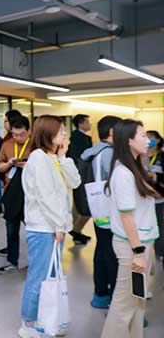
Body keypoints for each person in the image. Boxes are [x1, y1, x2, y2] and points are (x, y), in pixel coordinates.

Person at [19, 115, 80, 338]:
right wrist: (58, 226)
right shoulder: (38, 158)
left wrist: (63, 156)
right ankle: (27, 323)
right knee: (39, 276)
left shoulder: (52, 157)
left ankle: (43, 319)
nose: (65, 135)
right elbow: (46, 197)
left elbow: (75, 182)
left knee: (50, 275)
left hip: (54, 227)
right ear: (48, 133)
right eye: (61, 131)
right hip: (44, 228)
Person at [101, 120, 159, 338]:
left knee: (137, 300)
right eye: (143, 136)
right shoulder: (123, 174)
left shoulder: (134, 168)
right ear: (129, 140)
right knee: (124, 304)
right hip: (133, 248)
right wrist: (138, 252)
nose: (148, 140)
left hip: (142, 244)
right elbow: (126, 217)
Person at [80, 116, 122, 309]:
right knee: (114, 254)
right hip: (112, 212)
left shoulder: (93, 152)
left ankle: (100, 294)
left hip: (99, 211)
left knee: (103, 250)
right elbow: (120, 184)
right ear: (112, 132)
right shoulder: (110, 154)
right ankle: (116, 299)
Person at [0, 116, 31, 275]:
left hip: (30, 193)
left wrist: (27, 165)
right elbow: (0, 168)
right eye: (15, 134)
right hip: (11, 192)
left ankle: (36, 261)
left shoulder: (36, 146)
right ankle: (12, 261)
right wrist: (9, 163)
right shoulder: (7, 144)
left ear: (29, 131)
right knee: (11, 228)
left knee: (33, 229)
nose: (18, 138)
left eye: (21, 134)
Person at [68, 114, 93, 245]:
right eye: (87, 122)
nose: (90, 124)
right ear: (81, 124)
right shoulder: (81, 138)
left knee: (77, 203)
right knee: (83, 203)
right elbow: (81, 157)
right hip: (82, 173)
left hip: (78, 172)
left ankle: (76, 230)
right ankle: (75, 230)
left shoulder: (77, 136)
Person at [145, 131, 164, 267]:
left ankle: (160, 252)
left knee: (160, 225)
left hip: (159, 197)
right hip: (144, 198)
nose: (149, 140)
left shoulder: (161, 157)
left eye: (151, 137)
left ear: (158, 140)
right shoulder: (141, 156)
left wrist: (156, 177)